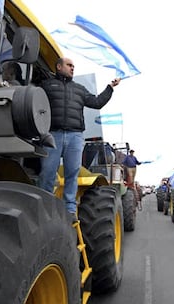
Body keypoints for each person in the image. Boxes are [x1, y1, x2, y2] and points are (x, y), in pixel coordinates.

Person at [38, 57, 121, 217]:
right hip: (52, 135)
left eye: (73, 66)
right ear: (59, 66)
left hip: (75, 136)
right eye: (69, 65)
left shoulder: (79, 89)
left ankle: (70, 209)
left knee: (72, 173)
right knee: (47, 172)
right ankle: (45, 208)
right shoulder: (47, 86)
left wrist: (110, 87)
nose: (72, 68)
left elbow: (97, 102)